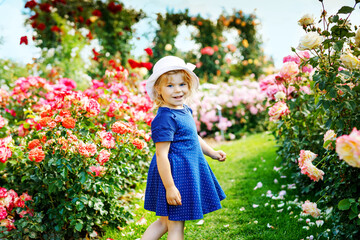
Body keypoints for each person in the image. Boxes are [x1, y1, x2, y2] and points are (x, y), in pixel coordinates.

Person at [142, 56, 226, 240]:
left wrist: (211, 153)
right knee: (175, 227)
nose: (177, 90)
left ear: (189, 86)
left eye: (182, 84)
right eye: (170, 86)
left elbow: (192, 136)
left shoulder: (184, 109)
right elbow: (161, 155)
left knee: (165, 222)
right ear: (158, 89)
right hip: (173, 175)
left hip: (184, 172)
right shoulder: (165, 118)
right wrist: (170, 187)